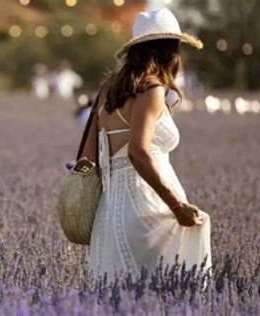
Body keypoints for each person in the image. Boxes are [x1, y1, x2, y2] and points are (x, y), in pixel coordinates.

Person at [77, 8, 212, 283]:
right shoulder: (151, 89)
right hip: (148, 209)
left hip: (109, 215)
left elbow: (87, 156)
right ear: (170, 49)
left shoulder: (107, 89)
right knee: (172, 294)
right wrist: (176, 206)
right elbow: (137, 152)